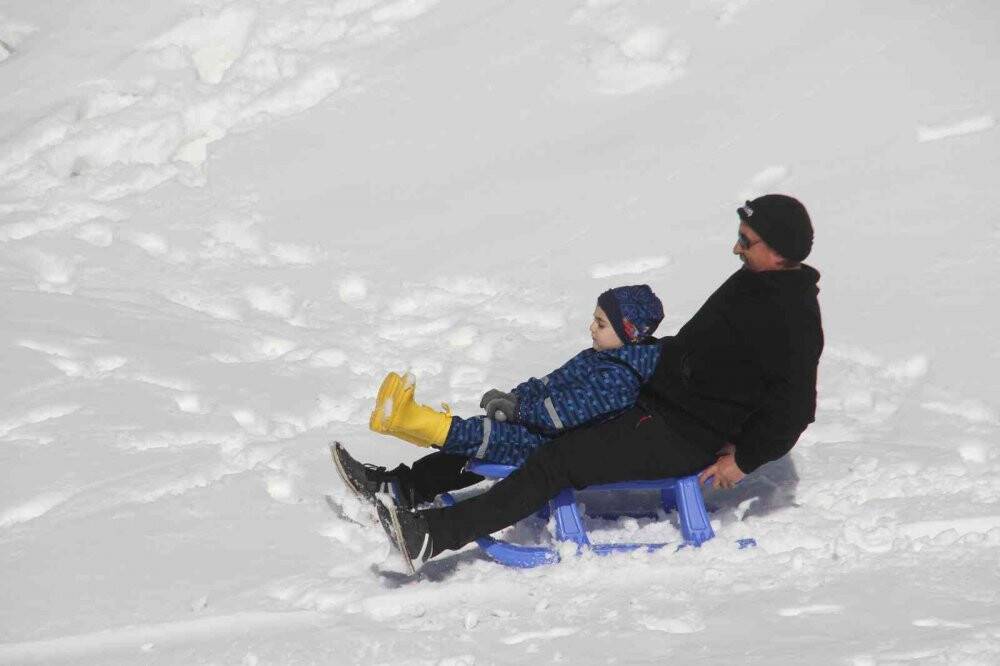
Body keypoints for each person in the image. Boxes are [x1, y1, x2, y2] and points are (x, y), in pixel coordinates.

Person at [372, 193, 823, 574]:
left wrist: (743, 459)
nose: (735, 248)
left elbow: (794, 409)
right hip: (654, 401)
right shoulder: (755, 280)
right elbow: (704, 347)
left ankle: (432, 537)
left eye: (746, 241)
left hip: (682, 435)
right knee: (535, 428)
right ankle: (408, 487)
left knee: (558, 459)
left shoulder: (794, 320)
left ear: (780, 251)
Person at [333, 285, 665, 509]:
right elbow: (549, 383)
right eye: (594, 319)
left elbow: (565, 412)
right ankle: (400, 486)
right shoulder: (597, 356)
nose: (592, 327)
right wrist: (515, 397)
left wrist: (520, 410)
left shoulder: (620, 377)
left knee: (481, 436)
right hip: (540, 429)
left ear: (629, 334)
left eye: (602, 324)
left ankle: (413, 422)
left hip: (556, 447)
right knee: (478, 438)